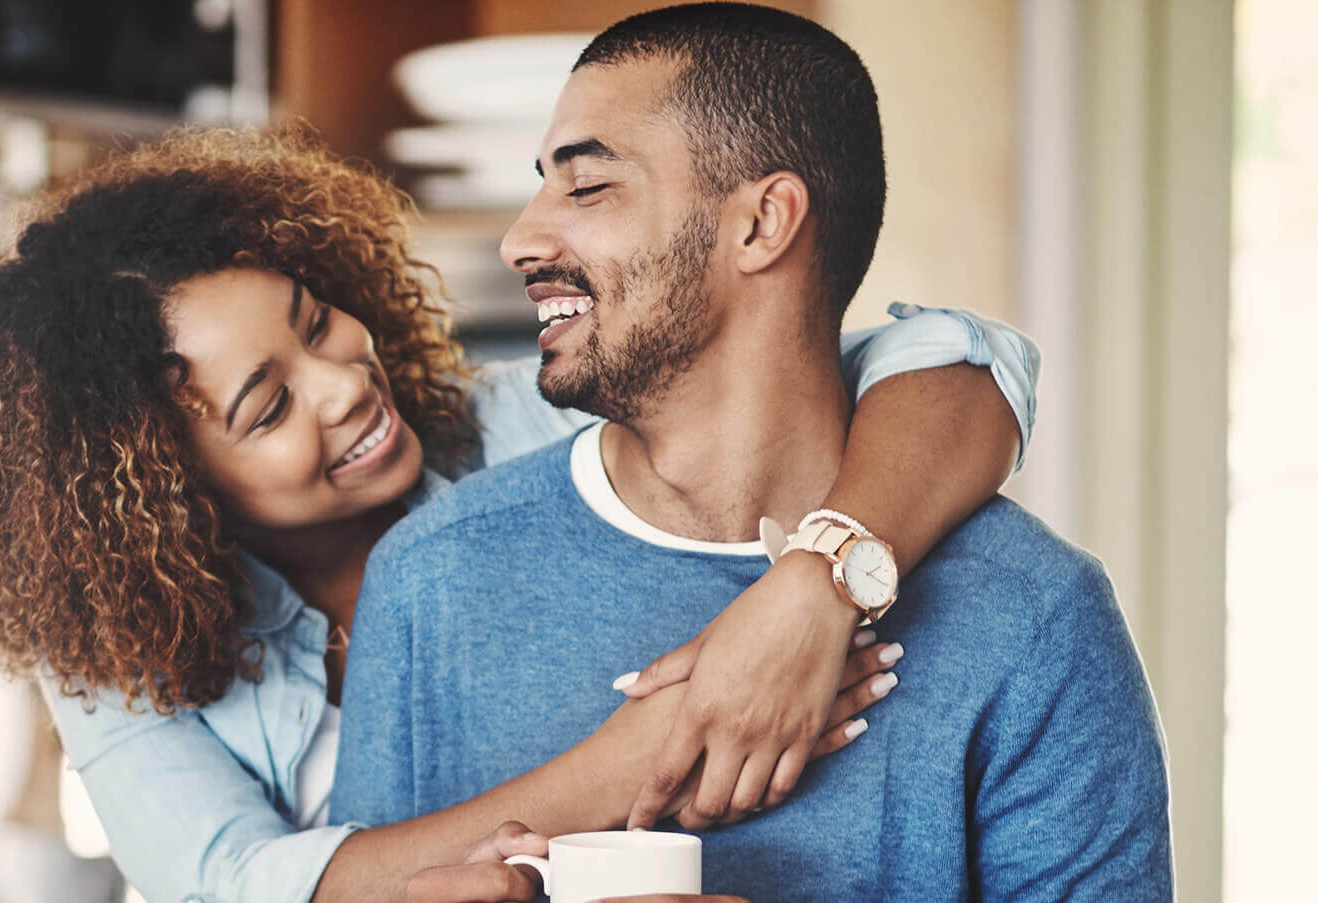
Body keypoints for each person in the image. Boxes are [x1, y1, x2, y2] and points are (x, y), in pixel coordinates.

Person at [330, 5, 1171, 901]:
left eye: (588, 189)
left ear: (764, 222)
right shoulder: (430, 581)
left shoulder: (1035, 621)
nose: (521, 239)